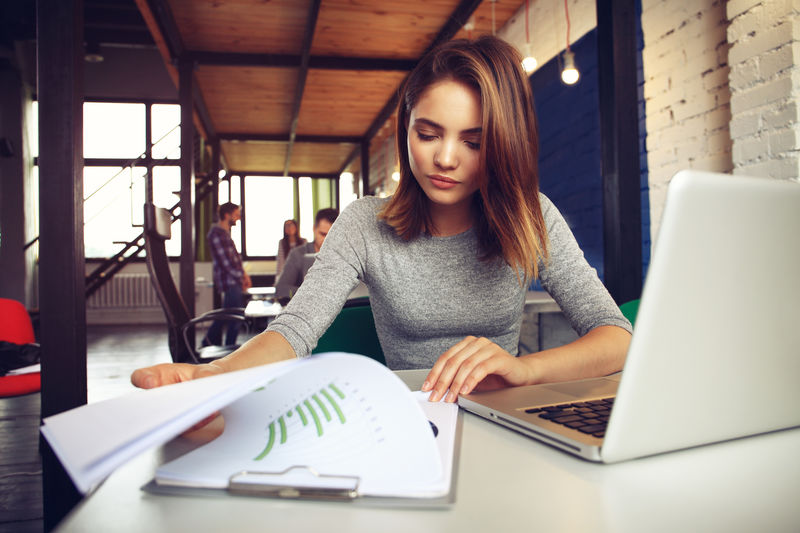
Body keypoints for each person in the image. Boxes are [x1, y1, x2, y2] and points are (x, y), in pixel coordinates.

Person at [133, 36, 632, 405]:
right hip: (411, 420)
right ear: (406, 128)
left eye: (474, 142)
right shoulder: (364, 223)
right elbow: (294, 329)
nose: (446, 158)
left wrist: (523, 371)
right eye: (429, 133)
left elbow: (617, 337)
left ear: (502, 145)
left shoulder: (532, 216)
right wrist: (211, 377)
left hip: (504, 419)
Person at [204, 202, 251, 346]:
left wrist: (244, 275)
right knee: (234, 316)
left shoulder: (225, 234)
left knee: (226, 315)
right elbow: (226, 264)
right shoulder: (216, 234)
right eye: (236, 214)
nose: (238, 217)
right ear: (226, 215)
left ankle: (209, 343)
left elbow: (235, 259)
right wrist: (241, 277)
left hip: (234, 280)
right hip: (230, 282)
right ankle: (226, 346)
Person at [274, 208, 338, 303]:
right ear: (314, 229)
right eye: (323, 234)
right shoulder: (298, 254)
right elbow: (281, 289)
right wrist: (311, 294)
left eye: (332, 236)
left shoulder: (342, 255)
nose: (327, 240)